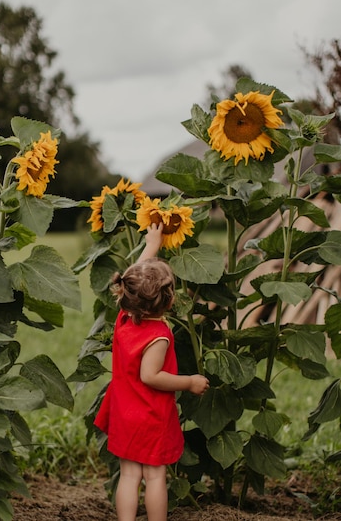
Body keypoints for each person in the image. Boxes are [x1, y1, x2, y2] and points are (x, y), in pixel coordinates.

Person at [94, 222, 210, 521]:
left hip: (123, 410)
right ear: (170, 300)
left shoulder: (125, 316)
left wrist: (152, 245)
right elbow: (151, 376)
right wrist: (189, 382)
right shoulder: (158, 335)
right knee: (156, 476)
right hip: (148, 414)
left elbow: (135, 276)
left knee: (129, 475)